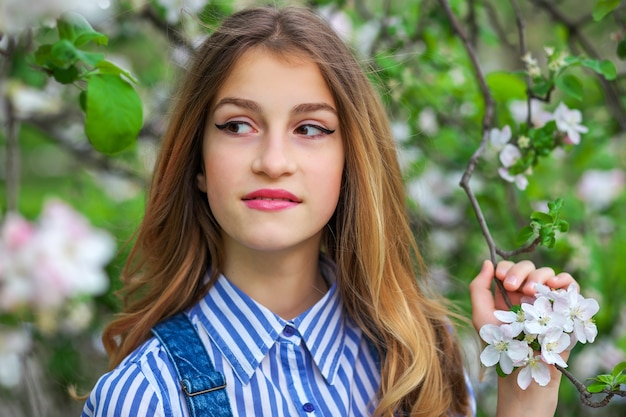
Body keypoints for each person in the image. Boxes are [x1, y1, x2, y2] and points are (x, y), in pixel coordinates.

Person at [81, 5, 577, 417]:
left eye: (311, 129)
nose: (273, 162)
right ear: (198, 162)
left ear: (350, 161)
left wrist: (524, 397)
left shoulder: (422, 360)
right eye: (237, 125)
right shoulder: (146, 396)